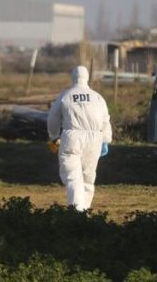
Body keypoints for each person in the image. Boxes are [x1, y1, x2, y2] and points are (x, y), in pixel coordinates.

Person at [47, 65, 112, 211]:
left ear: (73, 77)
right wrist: (106, 140)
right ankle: (84, 212)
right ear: (87, 78)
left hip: (72, 137)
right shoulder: (97, 97)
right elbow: (105, 120)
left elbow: (53, 118)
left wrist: (53, 136)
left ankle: (77, 214)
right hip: (95, 139)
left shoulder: (66, 95)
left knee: (73, 177)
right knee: (88, 179)